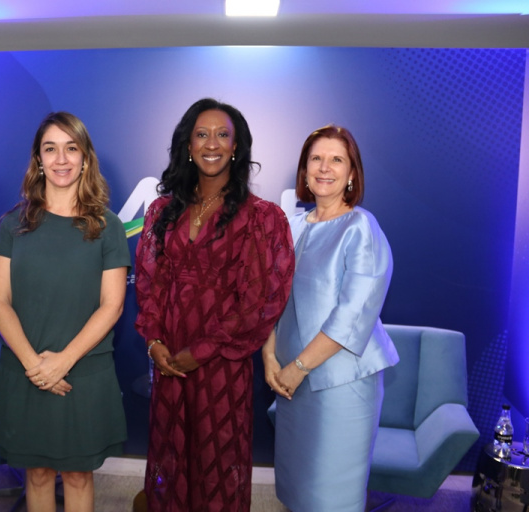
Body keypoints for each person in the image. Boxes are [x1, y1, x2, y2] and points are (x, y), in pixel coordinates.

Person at [134, 98, 295, 511]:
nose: (212, 143)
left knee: (218, 462)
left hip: (223, 363)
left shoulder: (262, 218)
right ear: (188, 145)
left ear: (236, 147)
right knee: (172, 456)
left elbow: (260, 301)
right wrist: (154, 342)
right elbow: (150, 284)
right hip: (170, 361)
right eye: (202, 134)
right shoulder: (162, 212)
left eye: (223, 135)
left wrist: (201, 351)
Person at [0, 112, 129, 512]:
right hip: (25, 371)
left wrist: (62, 362)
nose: (61, 159)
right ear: (38, 159)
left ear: (85, 158)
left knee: (78, 476)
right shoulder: (13, 225)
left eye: (71, 148)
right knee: (35, 474)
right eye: (50, 149)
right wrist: (36, 366)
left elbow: (112, 305)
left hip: (82, 373)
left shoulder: (108, 226)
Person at [263, 124, 400, 512]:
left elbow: (352, 314)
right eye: (316, 159)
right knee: (297, 490)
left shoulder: (361, 228)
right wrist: (270, 358)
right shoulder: (290, 226)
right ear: (304, 170)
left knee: (330, 496)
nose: (325, 168)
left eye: (336, 159)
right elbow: (268, 301)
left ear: (352, 173)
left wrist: (299, 367)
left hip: (342, 385)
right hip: (291, 383)